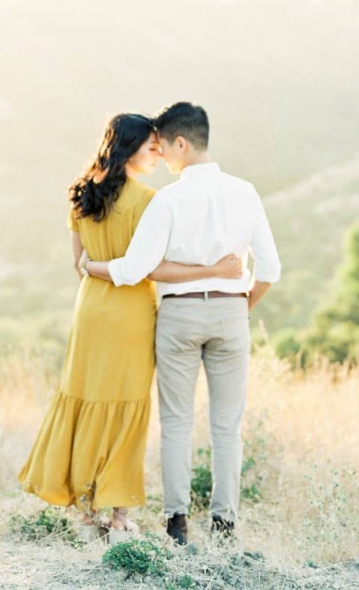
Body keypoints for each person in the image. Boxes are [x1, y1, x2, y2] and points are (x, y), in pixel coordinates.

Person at [17, 112, 243, 535]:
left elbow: (79, 264)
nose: (157, 154)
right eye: (150, 147)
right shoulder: (147, 201)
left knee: (85, 400)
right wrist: (209, 270)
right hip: (130, 313)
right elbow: (149, 269)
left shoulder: (80, 194)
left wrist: (96, 268)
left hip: (90, 311)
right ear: (130, 148)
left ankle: (86, 507)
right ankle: (118, 513)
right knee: (127, 408)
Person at [81, 102, 281, 545]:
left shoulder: (168, 199)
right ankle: (225, 526)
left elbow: (136, 269)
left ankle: (177, 524)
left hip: (179, 316)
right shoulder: (245, 192)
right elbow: (270, 269)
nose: (164, 160)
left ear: (182, 143)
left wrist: (92, 267)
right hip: (231, 312)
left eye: (164, 149)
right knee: (227, 424)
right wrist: (240, 305)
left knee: (176, 422)